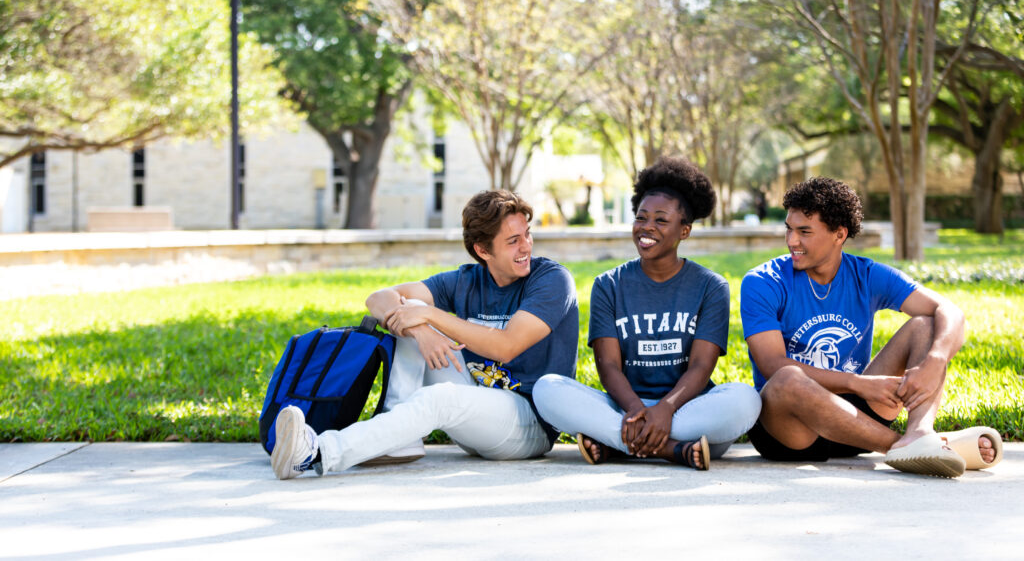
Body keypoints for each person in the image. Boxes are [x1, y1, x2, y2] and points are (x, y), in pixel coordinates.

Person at [270, 189, 579, 479]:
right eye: (513, 241)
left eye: (527, 234)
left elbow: (506, 347)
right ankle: (400, 436)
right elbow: (378, 298)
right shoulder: (467, 280)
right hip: (473, 412)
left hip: (526, 425)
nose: (526, 246)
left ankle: (316, 452)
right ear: (482, 250)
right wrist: (421, 329)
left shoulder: (551, 280)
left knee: (436, 382)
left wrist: (431, 316)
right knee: (410, 306)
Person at [740, 177, 1002, 477]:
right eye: (789, 229)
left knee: (925, 327)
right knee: (787, 378)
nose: (791, 241)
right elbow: (772, 365)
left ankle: (920, 432)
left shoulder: (865, 275)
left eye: (804, 232)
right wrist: (858, 383)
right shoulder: (763, 282)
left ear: (839, 234)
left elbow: (950, 312)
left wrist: (935, 359)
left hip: (856, 418)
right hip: (792, 429)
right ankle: (913, 447)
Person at [533, 158, 761, 470]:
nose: (647, 227)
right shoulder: (608, 285)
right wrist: (635, 409)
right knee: (547, 389)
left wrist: (665, 409)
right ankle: (672, 450)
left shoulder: (711, 287)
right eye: (641, 218)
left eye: (660, 220)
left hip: (687, 410)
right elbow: (609, 365)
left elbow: (701, 365)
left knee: (745, 400)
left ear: (685, 230)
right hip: (624, 407)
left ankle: (618, 444)